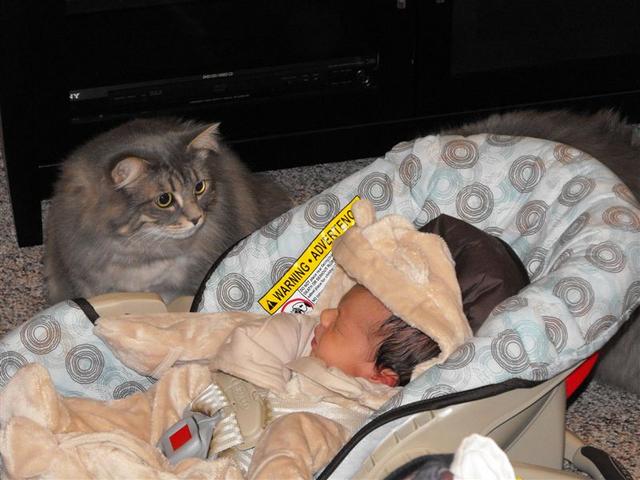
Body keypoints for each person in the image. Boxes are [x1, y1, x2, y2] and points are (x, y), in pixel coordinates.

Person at [0, 200, 472, 479]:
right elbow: (230, 333)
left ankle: (65, 462)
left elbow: (282, 462)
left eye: (339, 325)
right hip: (192, 405)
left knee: (152, 465)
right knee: (154, 397)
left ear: (380, 376)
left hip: (225, 463)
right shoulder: (306, 335)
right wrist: (152, 339)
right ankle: (56, 420)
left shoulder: (328, 421)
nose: (324, 315)